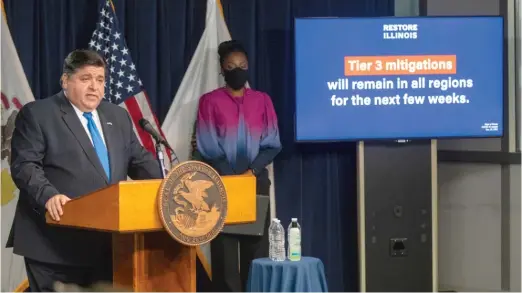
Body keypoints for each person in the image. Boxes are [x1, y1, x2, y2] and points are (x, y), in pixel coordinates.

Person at [6, 49, 162, 291]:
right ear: (65, 81)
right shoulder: (38, 114)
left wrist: (174, 183)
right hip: (54, 242)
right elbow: (24, 165)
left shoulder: (117, 116)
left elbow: (139, 161)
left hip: (107, 242)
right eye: (85, 78)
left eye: (100, 80)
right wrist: (49, 195)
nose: (94, 87)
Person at [195, 40, 282, 291]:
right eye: (231, 66)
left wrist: (250, 173)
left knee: (256, 251)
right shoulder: (209, 101)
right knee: (225, 254)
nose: (237, 70)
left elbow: (273, 143)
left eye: (242, 65)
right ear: (222, 69)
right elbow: (207, 144)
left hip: (255, 183)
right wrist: (233, 178)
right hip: (222, 185)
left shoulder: (262, 100)